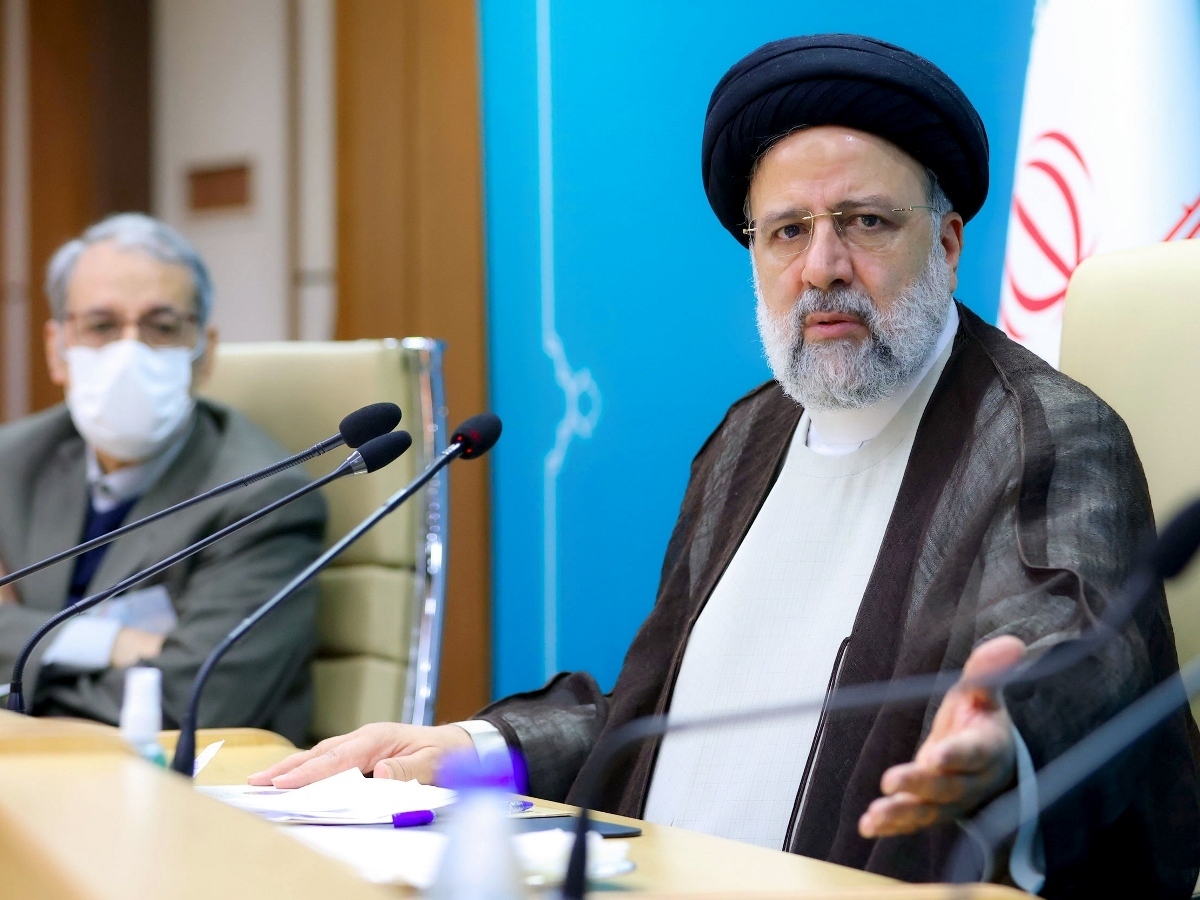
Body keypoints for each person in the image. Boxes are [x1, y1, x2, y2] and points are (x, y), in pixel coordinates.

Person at [250, 35, 1200, 897]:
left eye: (866, 222)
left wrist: (1005, 737)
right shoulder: (747, 438)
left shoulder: (1044, 433)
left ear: (946, 243)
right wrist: (471, 744)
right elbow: (658, 715)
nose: (822, 266)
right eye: (787, 231)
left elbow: (1083, 657)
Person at [0, 213, 326, 744]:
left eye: (163, 326)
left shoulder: (266, 497)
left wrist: (22, 689)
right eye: (101, 325)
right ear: (57, 350)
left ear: (204, 353)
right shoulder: (11, 462)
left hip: (189, 782)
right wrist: (106, 643)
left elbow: (188, 702)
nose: (129, 352)